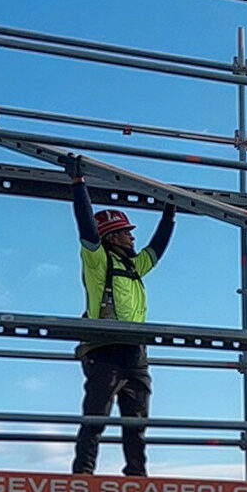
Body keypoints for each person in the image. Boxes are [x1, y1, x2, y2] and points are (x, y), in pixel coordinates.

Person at [63, 155, 176, 475]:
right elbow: (86, 227)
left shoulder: (133, 266)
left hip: (135, 353)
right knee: (96, 417)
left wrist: (170, 212)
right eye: (127, 233)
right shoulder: (99, 263)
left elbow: (156, 249)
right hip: (105, 349)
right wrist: (78, 185)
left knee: (136, 422)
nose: (132, 237)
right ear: (112, 237)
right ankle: (83, 474)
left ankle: (137, 476)